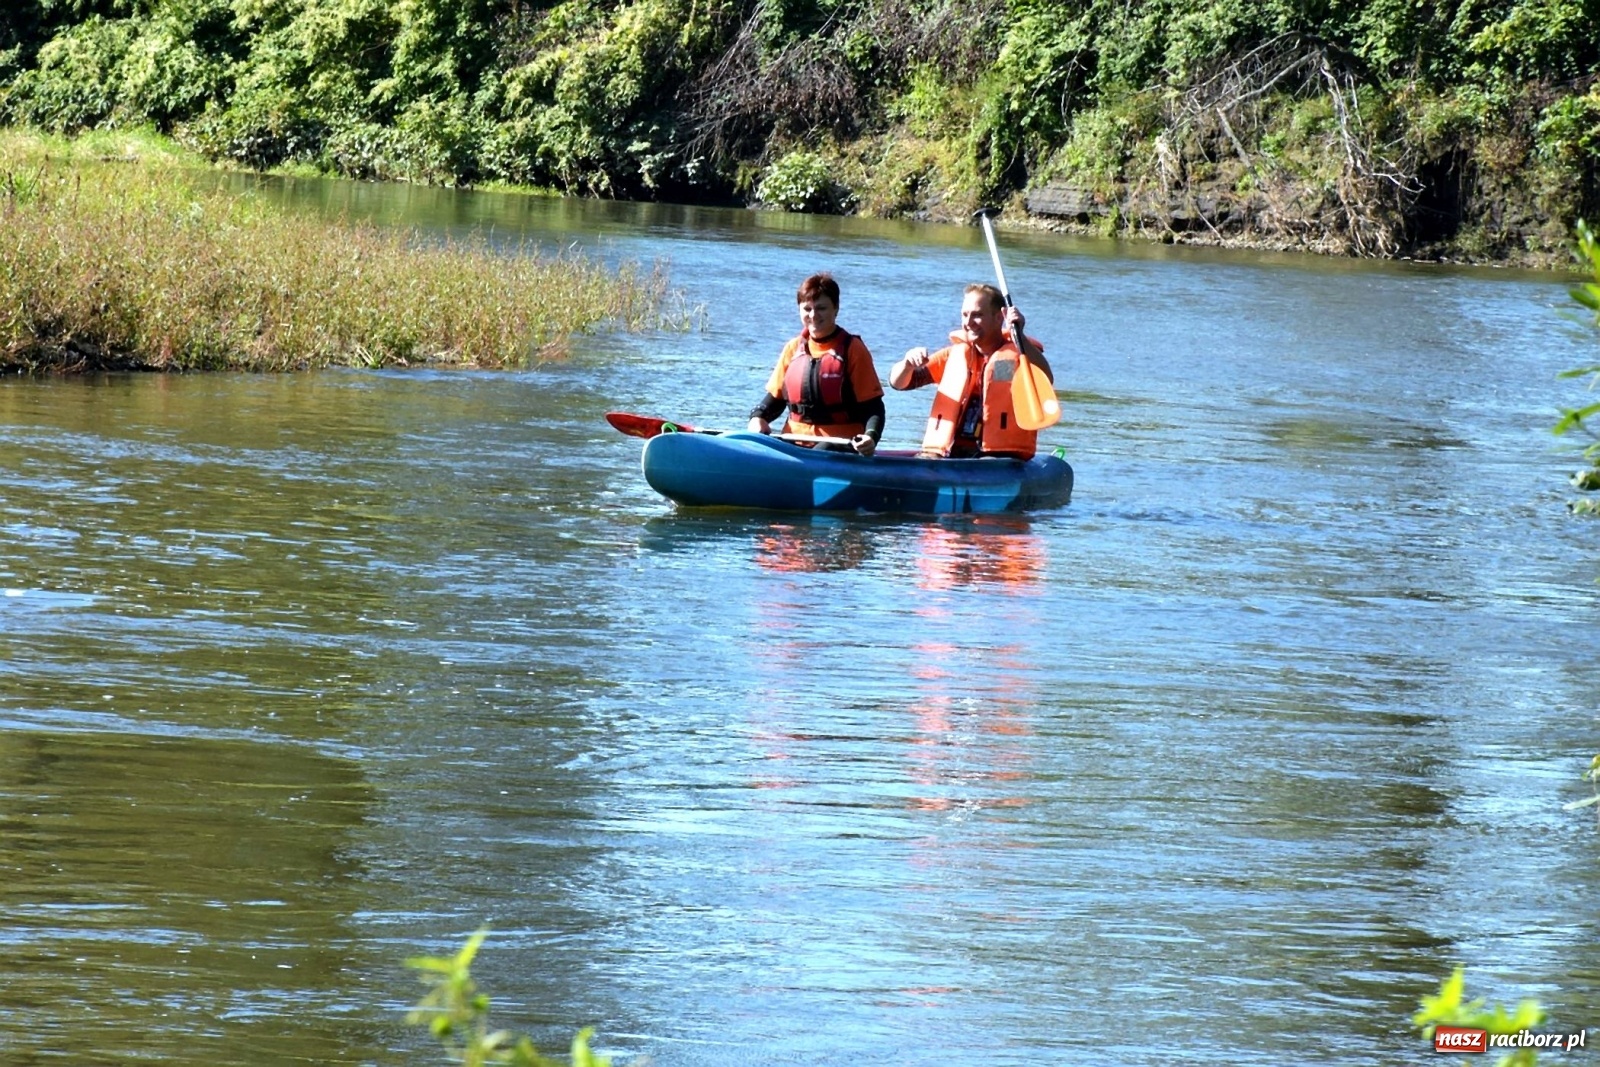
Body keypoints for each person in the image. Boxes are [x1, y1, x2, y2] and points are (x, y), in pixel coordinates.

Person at [888, 283, 1053, 460]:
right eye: (965, 315)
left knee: (987, 463)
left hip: (1000, 455)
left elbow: (1045, 378)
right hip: (953, 451)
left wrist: (1020, 337)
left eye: (977, 315)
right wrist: (907, 364)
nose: (968, 322)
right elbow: (900, 384)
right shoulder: (954, 355)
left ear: (998, 318)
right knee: (926, 460)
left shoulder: (1016, 356)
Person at [748, 273, 885, 455]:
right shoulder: (793, 348)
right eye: (807, 309)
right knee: (754, 440)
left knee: (824, 449)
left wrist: (871, 436)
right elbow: (775, 399)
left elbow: (873, 407)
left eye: (821, 308)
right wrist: (758, 418)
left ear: (835, 309)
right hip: (792, 442)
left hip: (839, 445)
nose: (813, 315)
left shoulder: (853, 350)